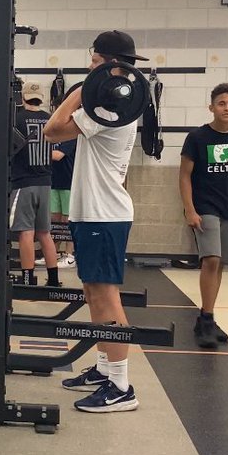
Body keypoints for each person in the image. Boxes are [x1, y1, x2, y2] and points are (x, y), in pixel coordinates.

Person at [44, 30, 147, 414]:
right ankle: (106, 370)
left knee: (106, 297)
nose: (89, 68)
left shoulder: (111, 108)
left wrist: (78, 91)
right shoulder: (111, 104)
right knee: (94, 294)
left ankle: (121, 386)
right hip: (95, 214)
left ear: (110, 65)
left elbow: (53, 129)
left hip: (105, 215)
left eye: (94, 62)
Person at [179, 83, 228, 348]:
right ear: (211, 107)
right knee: (210, 260)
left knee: (221, 264)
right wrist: (190, 209)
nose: (226, 108)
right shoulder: (197, 138)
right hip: (205, 207)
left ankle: (208, 316)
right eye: (221, 103)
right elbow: (184, 176)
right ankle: (205, 320)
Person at [10, 80, 61, 288]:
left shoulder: (16, 120)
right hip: (45, 183)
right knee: (44, 233)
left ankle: (28, 280)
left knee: (26, 232)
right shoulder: (50, 120)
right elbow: (56, 153)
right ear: (41, 98)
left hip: (24, 183)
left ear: (22, 97)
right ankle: (54, 280)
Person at [51, 130, 78, 268]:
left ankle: (69, 255)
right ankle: (52, 254)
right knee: (54, 219)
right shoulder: (51, 136)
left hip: (68, 183)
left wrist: (34, 152)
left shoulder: (70, 135)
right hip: (54, 182)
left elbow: (58, 155)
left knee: (66, 220)